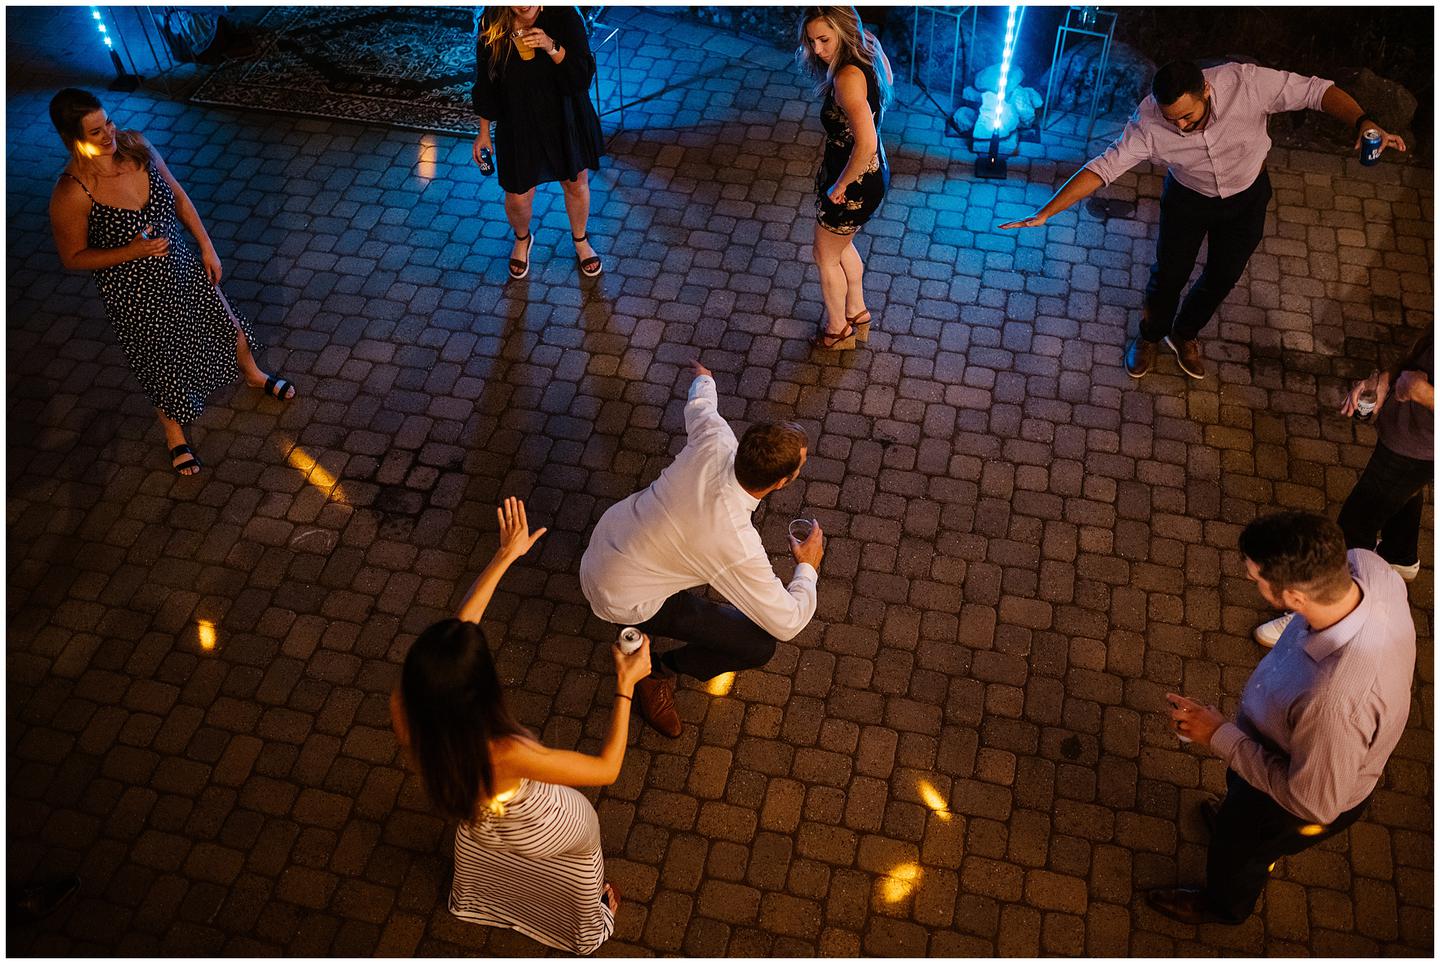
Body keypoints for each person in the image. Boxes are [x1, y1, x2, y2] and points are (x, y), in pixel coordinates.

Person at [1001, 60, 1407, 381]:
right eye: (1172, 119)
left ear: (1206, 90)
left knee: (1223, 276)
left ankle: (1185, 333)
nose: (1180, 126)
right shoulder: (1148, 123)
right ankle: (1150, 336)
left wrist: (1363, 121)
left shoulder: (1247, 84)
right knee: (1168, 276)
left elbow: (1317, 91)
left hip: (1247, 198)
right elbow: (1103, 167)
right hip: (1187, 202)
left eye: (1187, 117)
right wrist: (1045, 212)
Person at [390, 498, 651, 955]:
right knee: (578, 858)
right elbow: (607, 768)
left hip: (480, 818)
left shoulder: (407, 707)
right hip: (539, 822)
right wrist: (626, 686)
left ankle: (483, 898)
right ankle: (588, 919)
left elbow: (460, 630)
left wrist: (504, 556)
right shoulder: (505, 750)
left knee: (489, 854)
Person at [1150, 511, 1416, 925]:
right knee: (1238, 820)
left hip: (1289, 803)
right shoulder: (1368, 567)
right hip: (1278, 753)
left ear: (1293, 598)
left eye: (1255, 577)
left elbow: (1311, 802)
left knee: (1242, 854)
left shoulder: (1334, 703)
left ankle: (1223, 905)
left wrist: (1219, 735)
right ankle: (1234, 825)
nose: (1249, 578)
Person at [47, 88, 295, 476]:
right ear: (72, 139)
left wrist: (207, 247)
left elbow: (178, 196)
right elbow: (73, 257)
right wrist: (132, 251)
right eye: (95, 132)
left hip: (181, 267)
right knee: (164, 364)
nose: (109, 134)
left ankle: (252, 375)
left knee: (226, 325)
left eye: (108, 122)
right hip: (135, 295)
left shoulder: (136, 146)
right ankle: (174, 434)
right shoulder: (72, 193)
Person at [579, 361, 824, 737]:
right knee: (758, 647)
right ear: (781, 482)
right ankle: (655, 672)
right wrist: (807, 567)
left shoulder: (717, 440)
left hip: (607, 539)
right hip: (621, 598)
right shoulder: (735, 543)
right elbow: (787, 623)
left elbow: (701, 407)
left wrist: (704, 378)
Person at [1253, 324, 1433, 646]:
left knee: (1353, 528)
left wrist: (1424, 394)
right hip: (1408, 433)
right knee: (1403, 490)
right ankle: (1399, 555)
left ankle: (1318, 613)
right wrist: (1385, 380)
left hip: (1420, 446)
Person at [471, 5, 605, 281]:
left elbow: (581, 76)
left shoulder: (564, 15)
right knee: (518, 195)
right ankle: (522, 239)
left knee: (576, 183)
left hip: (564, 114)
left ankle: (580, 240)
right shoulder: (492, 21)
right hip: (518, 117)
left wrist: (549, 45)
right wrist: (483, 131)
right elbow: (486, 81)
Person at [797, 6, 893, 350]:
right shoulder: (867, 46)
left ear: (842, 30)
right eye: (811, 41)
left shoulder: (847, 78)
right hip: (872, 174)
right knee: (841, 245)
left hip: (853, 182)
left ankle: (837, 331)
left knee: (825, 255)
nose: (817, 49)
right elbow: (889, 81)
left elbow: (865, 144)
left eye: (824, 39)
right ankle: (857, 312)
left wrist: (840, 185)